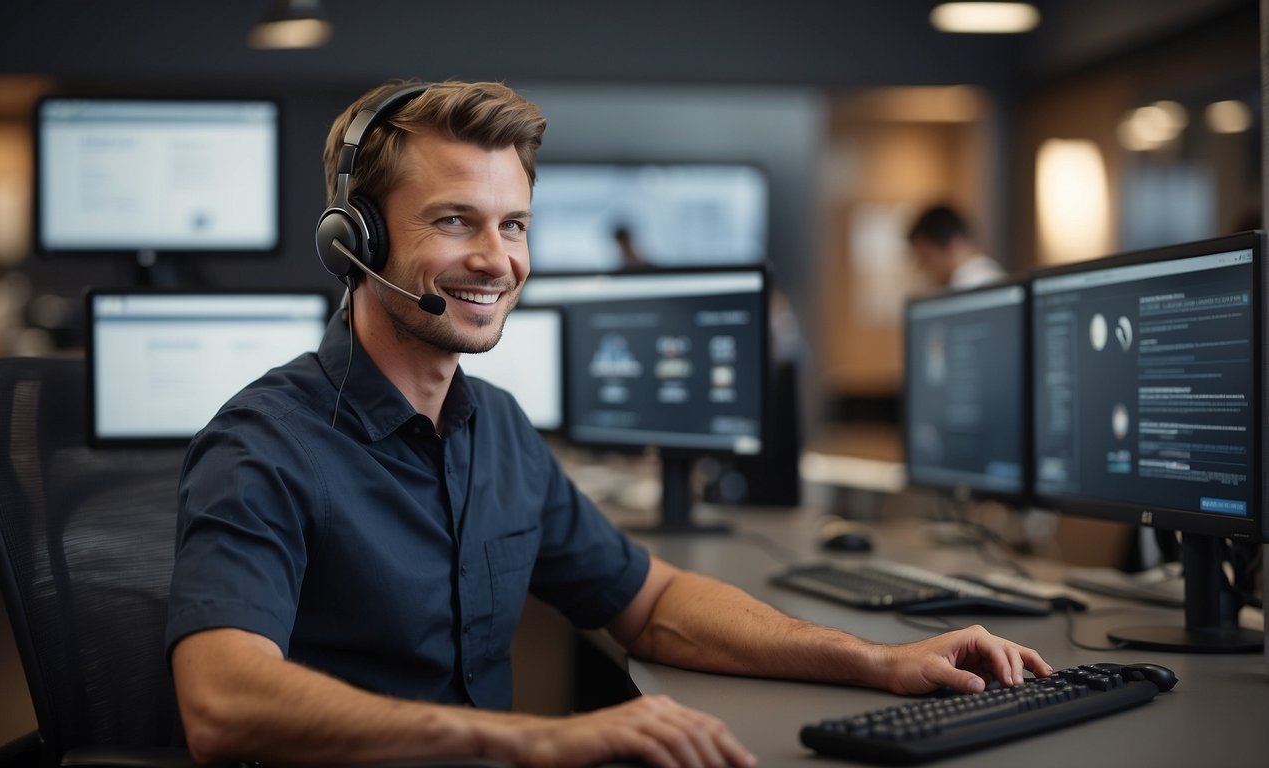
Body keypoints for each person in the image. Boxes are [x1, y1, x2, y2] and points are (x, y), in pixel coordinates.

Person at [166, 80, 1051, 768]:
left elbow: (654, 604)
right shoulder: (262, 445)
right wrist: (528, 741)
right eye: (453, 221)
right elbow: (223, 703)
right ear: (354, 240)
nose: (497, 259)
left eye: (514, 224)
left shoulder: (499, 433)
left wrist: (880, 662)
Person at [907, 204, 1005, 288]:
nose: (922, 268)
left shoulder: (969, 283)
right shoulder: (989, 273)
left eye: (924, 256)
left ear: (952, 243)